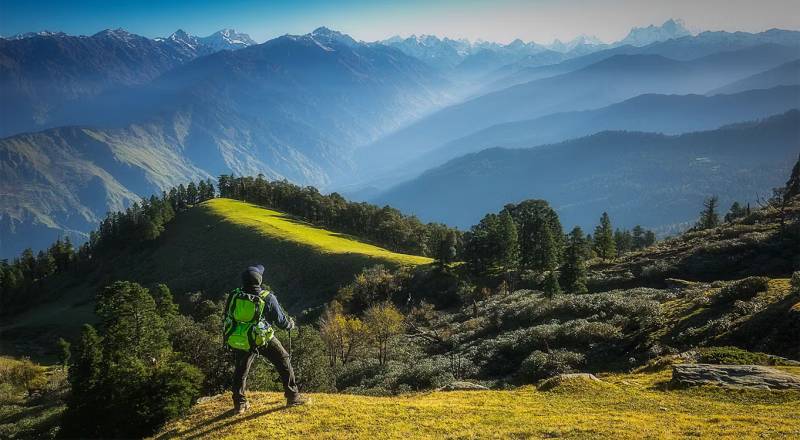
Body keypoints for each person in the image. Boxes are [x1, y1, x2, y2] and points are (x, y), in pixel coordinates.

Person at [228, 265, 308, 413]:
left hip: (242, 337)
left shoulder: (235, 294)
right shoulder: (267, 297)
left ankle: (239, 404)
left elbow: (229, 315)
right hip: (262, 338)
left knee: (241, 369)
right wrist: (290, 324)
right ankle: (293, 397)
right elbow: (281, 322)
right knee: (283, 359)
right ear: (259, 281)